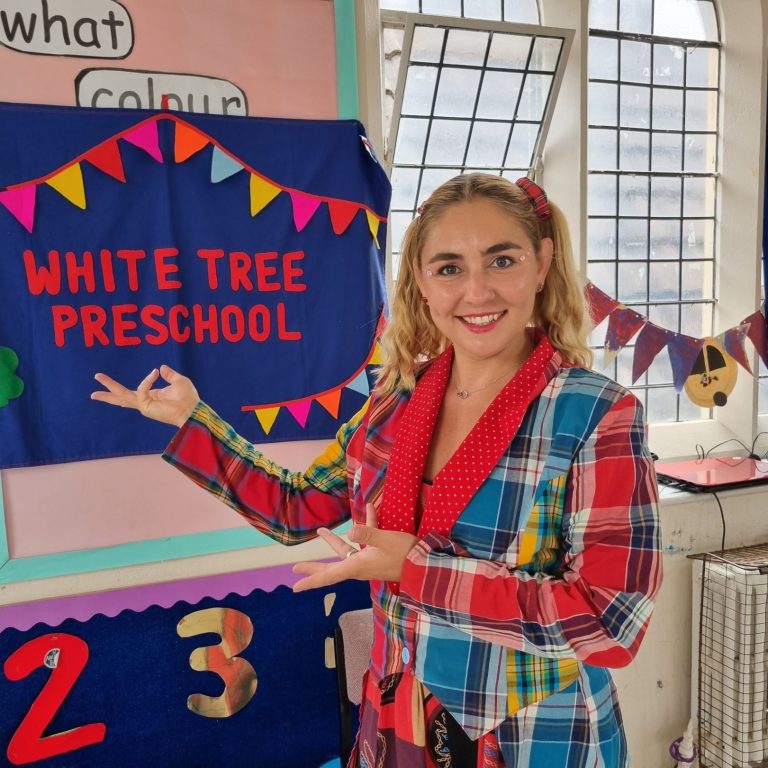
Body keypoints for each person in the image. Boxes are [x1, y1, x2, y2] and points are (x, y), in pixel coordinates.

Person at [92, 173, 662, 768]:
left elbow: (609, 622)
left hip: (530, 731)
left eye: (501, 260)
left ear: (541, 263)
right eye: (448, 268)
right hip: (397, 716)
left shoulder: (595, 413)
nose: (476, 291)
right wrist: (193, 420)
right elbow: (296, 509)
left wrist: (416, 571)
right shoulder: (397, 400)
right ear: (420, 280)